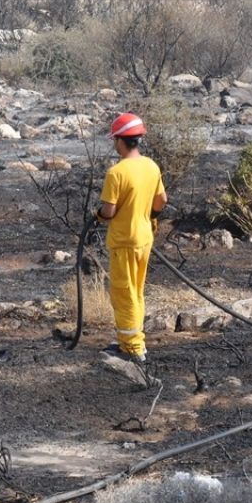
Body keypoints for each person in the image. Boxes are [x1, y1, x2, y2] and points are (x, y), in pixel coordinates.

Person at [94, 112, 168, 363]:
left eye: (115, 139)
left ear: (120, 140)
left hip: (124, 241)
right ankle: (130, 341)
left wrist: (99, 216)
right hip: (144, 238)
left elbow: (109, 211)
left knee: (123, 294)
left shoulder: (117, 172)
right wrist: (148, 215)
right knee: (136, 291)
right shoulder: (151, 166)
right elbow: (161, 201)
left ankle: (133, 350)